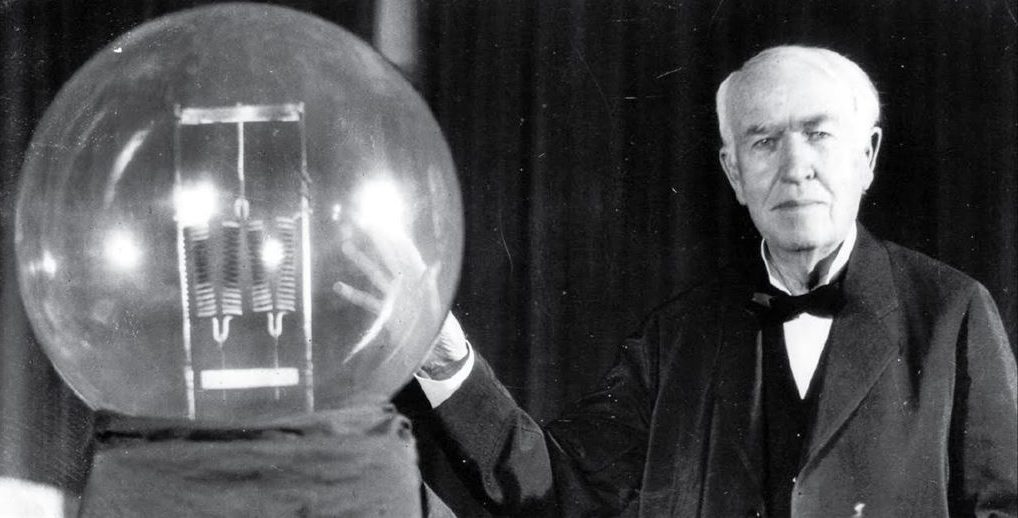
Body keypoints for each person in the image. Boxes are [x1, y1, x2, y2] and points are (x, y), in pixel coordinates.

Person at [406, 46, 1018, 517]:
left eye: (819, 134)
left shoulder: (953, 312)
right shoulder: (676, 337)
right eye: (764, 141)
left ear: (868, 156)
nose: (795, 167)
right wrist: (447, 363)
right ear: (734, 172)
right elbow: (558, 490)